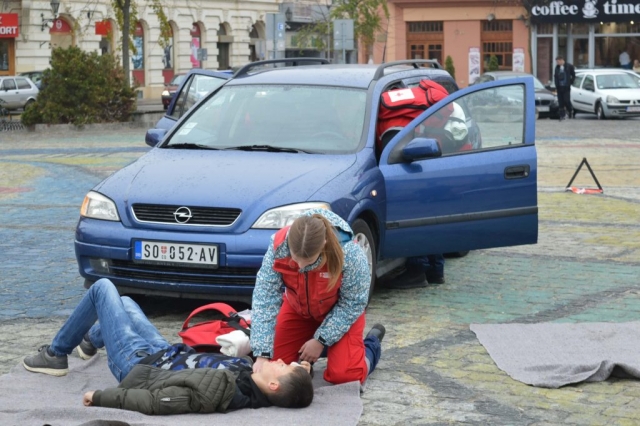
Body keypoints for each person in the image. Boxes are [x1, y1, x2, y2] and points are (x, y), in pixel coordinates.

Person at [22, 278, 313, 414]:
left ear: (273, 385)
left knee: (103, 289)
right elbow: (291, 384)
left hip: (140, 364)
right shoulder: (250, 376)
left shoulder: (223, 391)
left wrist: (99, 396)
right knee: (125, 303)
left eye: (283, 367)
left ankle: (56, 354)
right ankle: (94, 339)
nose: (280, 361)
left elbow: (155, 402)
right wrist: (304, 369)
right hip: (166, 351)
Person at [250, 208, 385, 387]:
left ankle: (370, 346)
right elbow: (264, 298)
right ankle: (317, 355)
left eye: (308, 262)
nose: (299, 267)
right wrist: (262, 354)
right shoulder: (278, 246)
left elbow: (354, 303)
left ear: (324, 244)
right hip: (298, 311)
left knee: (345, 376)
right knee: (273, 364)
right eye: (295, 260)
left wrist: (321, 340)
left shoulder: (350, 254)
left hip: (340, 313)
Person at [553, 55, 575, 121]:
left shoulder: (569, 66)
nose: (557, 63)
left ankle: (570, 110)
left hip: (566, 87)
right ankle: (562, 115)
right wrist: (556, 84)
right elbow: (555, 77)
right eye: (557, 61)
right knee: (560, 102)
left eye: (558, 61)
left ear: (562, 60)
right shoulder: (557, 68)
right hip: (559, 87)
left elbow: (573, 75)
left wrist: (570, 82)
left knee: (566, 100)